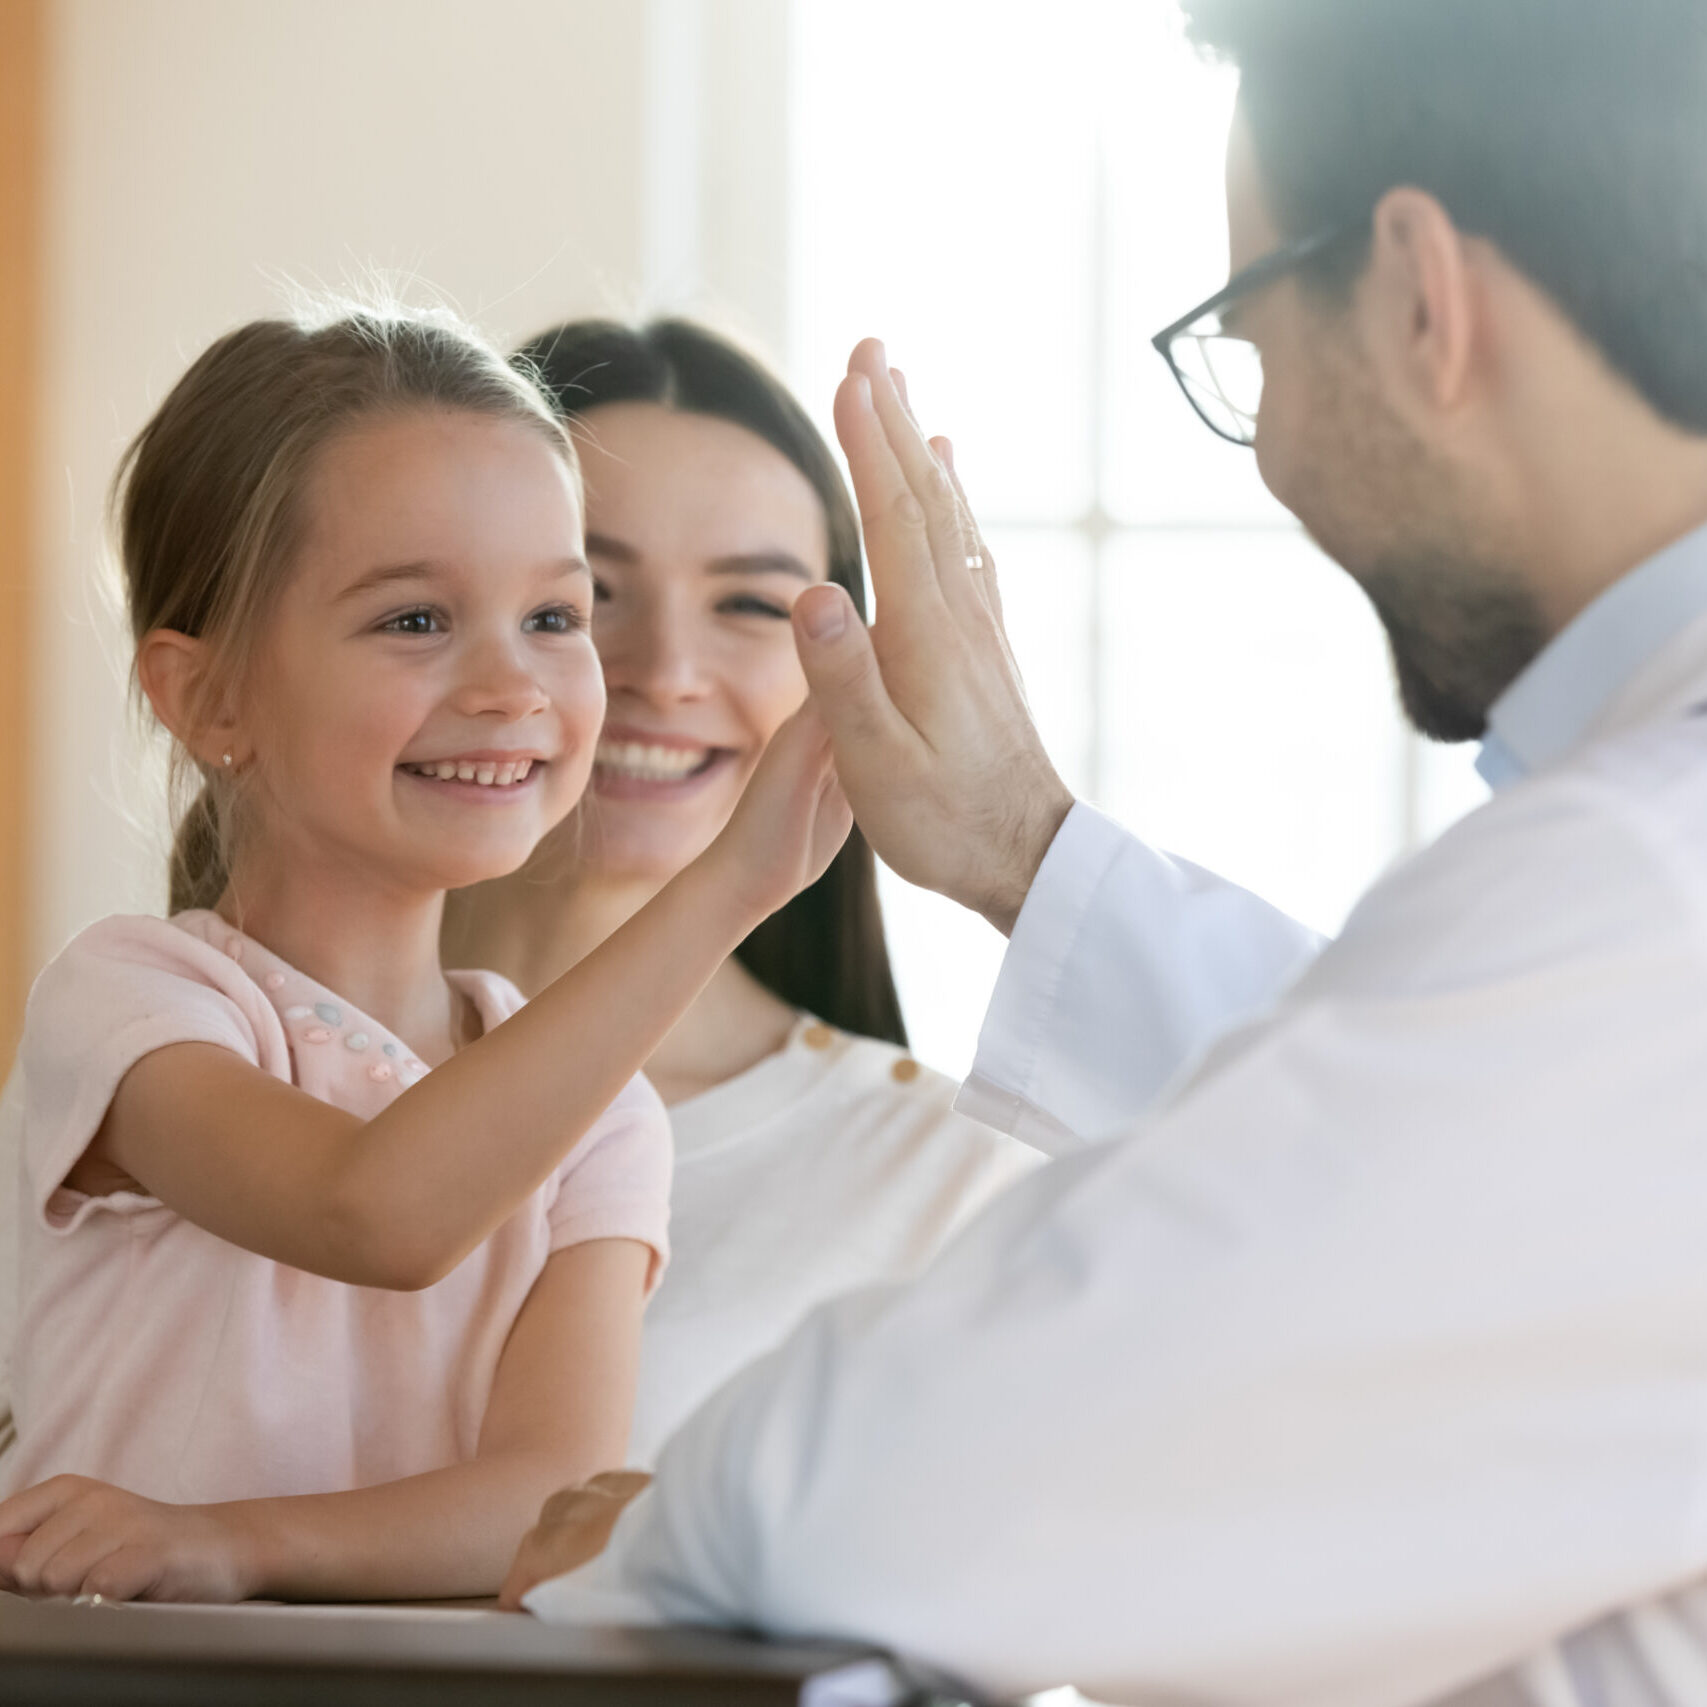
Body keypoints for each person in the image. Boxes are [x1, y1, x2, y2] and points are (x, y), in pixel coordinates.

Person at [512, 3, 1707, 1703]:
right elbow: (1400, 1124)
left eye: (1248, 340)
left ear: (1422, 297)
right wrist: (1024, 848)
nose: (1277, 441)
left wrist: (638, 1525)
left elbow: (892, 1498)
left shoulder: (1630, 886)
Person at [0, 304, 848, 1602]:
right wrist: (731, 885)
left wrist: (232, 1541)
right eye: (413, 620)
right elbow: (378, 1210)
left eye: (554, 618)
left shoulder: (603, 1122)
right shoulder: (135, 999)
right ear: (206, 696)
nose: (513, 685)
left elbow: (542, 1501)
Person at [446, 318, 1045, 1464]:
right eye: (582, 598)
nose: (663, 672)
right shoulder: (197, 1067)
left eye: (753, 606)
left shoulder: (940, 1175)